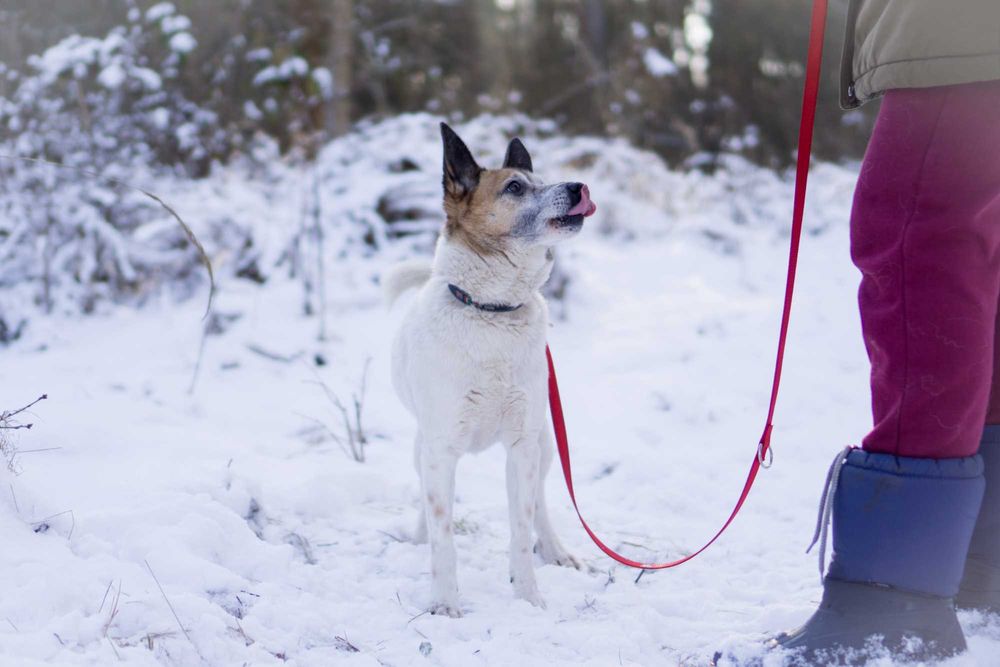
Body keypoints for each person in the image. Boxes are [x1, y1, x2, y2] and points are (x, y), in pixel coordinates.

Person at [768, 0, 1000, 662]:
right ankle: (982, 559)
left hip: (963, 27)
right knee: (979, 245)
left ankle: (890, 605)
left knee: (919, 233)